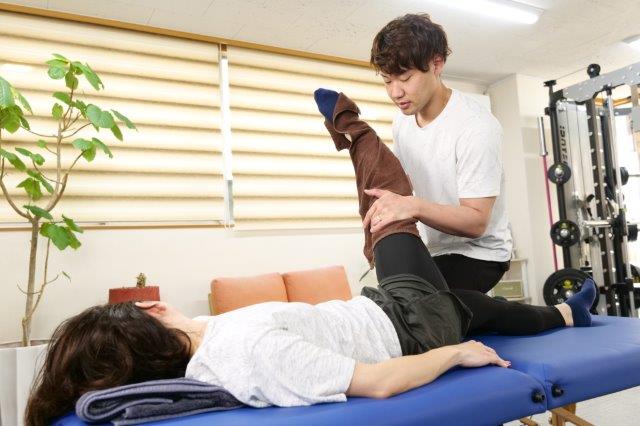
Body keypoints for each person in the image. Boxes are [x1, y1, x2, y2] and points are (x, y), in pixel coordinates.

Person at [25, 92, 597, 426]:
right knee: (390, 209)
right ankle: (353, 128)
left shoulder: (203, 340)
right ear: (152, 320)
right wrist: (454, 354)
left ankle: (568, 314)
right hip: (412, 325)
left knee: (473, 303)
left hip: (382, 309)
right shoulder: (248, 353)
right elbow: (376, 383)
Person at [367, 13, 512, 293]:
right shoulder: (402, 123)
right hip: (436, 250)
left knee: (421, 307)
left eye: (405, 78)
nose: (396, 92)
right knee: (394, 301)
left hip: (481, 253)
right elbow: (405, 185)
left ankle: (560, 312)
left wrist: (413, 206)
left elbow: (476, 222)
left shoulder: (476, 126)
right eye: (387, 81)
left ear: (437, 64)